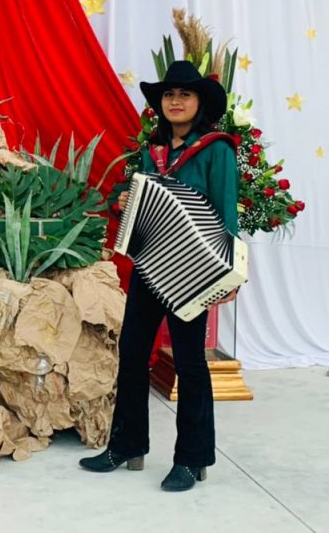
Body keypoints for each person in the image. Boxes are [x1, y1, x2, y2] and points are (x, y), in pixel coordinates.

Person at [80, 59, 238, 492]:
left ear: (199, 103)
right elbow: (139, 204)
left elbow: (226, 213)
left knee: (189, 362)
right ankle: (126, 446)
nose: (176, 101)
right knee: (132, 353)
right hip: (151, 267)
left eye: (185, 94)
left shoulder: (217, 150)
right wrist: (122, 201)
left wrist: (228, 273)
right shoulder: (153, 153)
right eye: (169, 94)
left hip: (193, 271)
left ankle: (191, 458)